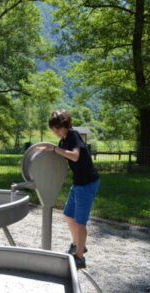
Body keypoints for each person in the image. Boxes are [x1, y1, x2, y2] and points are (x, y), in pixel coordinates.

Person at [38, 110, 100, 269]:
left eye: (58, 128)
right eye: (54, 129)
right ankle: (78, 244)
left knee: (80, 221)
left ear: (66, 125)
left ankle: (80, 257)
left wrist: (53, 148)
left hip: (87, 183)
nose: (56, 132)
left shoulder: (73, 135)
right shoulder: (63, 141)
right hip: (78, 183)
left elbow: (75, 156)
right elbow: (61, 163)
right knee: (68, 215)